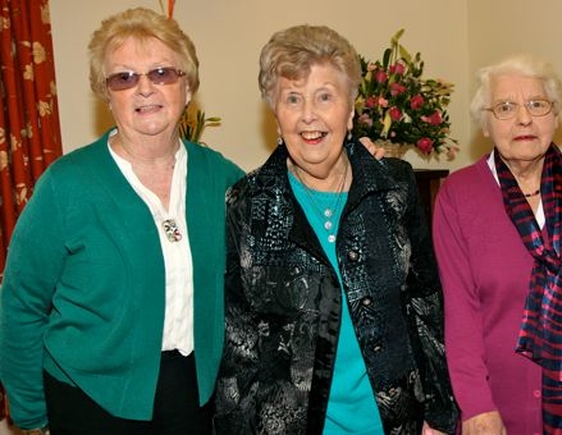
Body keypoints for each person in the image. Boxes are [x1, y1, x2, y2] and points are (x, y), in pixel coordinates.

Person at [0, 7, 245, 434]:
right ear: (106, 93)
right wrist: (30, 414)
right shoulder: (66, 185)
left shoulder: (221, 178)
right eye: (124, 77)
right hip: (88, 400)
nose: (144, 88)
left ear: (187, 87)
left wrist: (351, 166)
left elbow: (290, 216)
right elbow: (20, 304)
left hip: (196, 398)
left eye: (162, 72)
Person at [213, 24, 459, 435]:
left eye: (325, 96)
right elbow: (237, 345)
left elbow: (426, 305)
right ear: (276, 115)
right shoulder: (247, 203)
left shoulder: (393, 187)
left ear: (349, 111)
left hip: (397, 422)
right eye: (293, 99)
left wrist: (439, 412)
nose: (309, 115)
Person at [432, 53, 562, 434]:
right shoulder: (458, 196)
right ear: (486, 123)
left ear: (555, 117)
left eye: (537, 104)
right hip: (494, 413)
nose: (524, 118)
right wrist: (476, 407)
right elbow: (460, 314)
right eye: (506, 107)